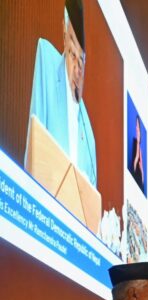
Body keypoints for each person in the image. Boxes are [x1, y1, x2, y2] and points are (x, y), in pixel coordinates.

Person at [27, 0, 97, 186]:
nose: (76, 71)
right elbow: (34, 150)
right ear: (64, 35)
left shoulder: (88, 134)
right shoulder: (47, 61)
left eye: (81, 62)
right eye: (73, 55)